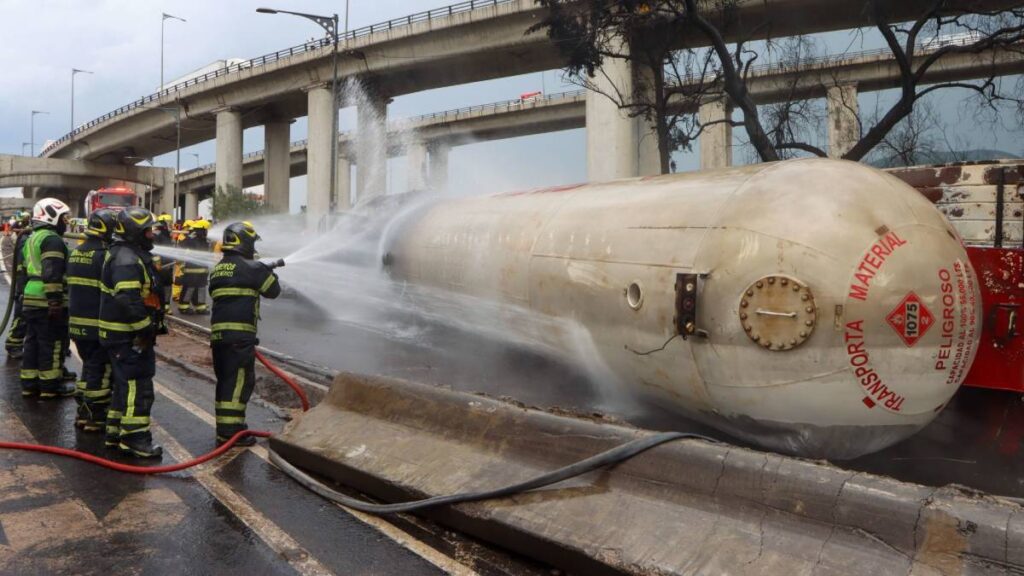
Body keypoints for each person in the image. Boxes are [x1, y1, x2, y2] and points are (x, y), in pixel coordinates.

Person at [99, 207, 164, 458]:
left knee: (123, 387)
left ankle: (116, 433)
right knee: (139, 387)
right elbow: (128, 298)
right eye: (148, 231)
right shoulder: (127, 259)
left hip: (120, 335)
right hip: (128, 336)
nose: (152, 235)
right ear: (135, 233)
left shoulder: (125, 254)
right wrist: (144, 328)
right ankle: (136, 439)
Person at [208, 221, 280, 446]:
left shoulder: (218, 269)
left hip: (219, 337)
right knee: (239, 383)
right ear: (245, 242)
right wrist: (267, 270)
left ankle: (227, 429)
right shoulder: (254, 268)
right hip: (239, 338)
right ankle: (230, 433)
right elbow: (273, 291)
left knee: (226, 382)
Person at [68, 209, 117, 431]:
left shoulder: (76, 252)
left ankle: (83, 412)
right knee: (101, 371)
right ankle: (95, 417)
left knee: (89, 368)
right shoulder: (104, 256)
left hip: (77, 324)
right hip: (97, 325)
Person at [20, 198, 74, 399]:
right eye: (63, 218)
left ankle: (29, 384)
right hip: (46, 300)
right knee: (51, 344)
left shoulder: (33, 237)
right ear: (52, 216)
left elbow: (25, 270)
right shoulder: (52, 240)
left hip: (31, 297)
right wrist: (55, 301)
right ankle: (50, 387)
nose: (65, 222)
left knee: (32, 343)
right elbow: (52, 272)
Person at [5, 211, 32, 358]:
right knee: (21, 316)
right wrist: (21, 289)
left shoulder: (32, 235)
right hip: (24, 283)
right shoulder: (25, 238)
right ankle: (13, 344)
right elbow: (22, 265)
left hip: (30, 284)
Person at [177, 219, 211, 315]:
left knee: (201, 289)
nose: (207, 232)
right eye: (206, 230)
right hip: (191, 269)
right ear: (202, 229)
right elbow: (181, 249)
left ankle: (200, 307)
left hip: (203, 270)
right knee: (189, 288)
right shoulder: (190, 238)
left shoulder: (205, 240)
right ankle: (183, 307)